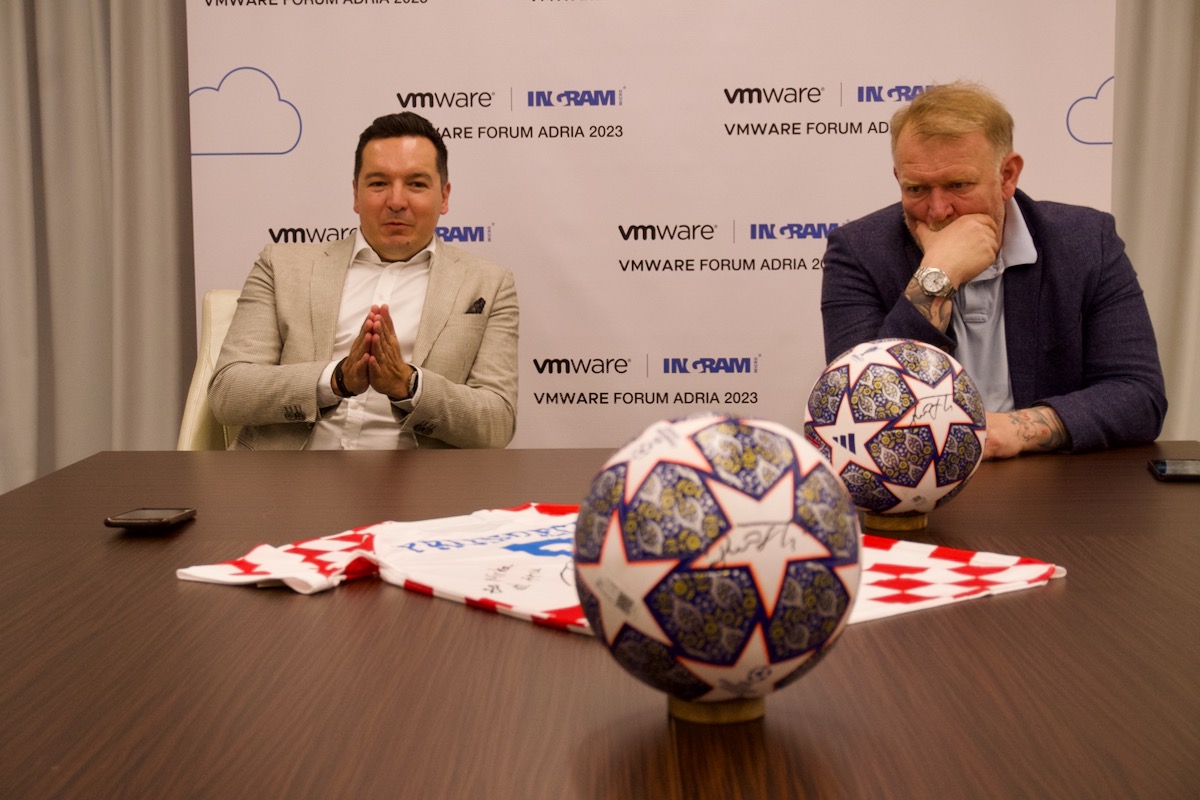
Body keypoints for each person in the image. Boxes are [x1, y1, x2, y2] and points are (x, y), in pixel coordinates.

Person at [820, 82, 1166, 459]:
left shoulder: (1085, 242)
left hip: (1051, 479)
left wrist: (1012, 430)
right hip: (915, 478)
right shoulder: (858, 251)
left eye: (958, 185)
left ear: (1007, 176)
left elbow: (1139, 396)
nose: (938, 210)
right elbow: (856, 410)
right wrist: (937, 275)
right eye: (917, 189)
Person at [209, 112, 518, 450]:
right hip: (289, 477)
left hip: (420, 480)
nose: (396, 202)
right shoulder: (281, 267)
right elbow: (228, 392)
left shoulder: (488, 284)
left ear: (444, 196)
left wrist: (409, 385)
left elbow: (497, 422)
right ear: (356, 194)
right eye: (378, 183)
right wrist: (335, 380)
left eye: (416, 184)